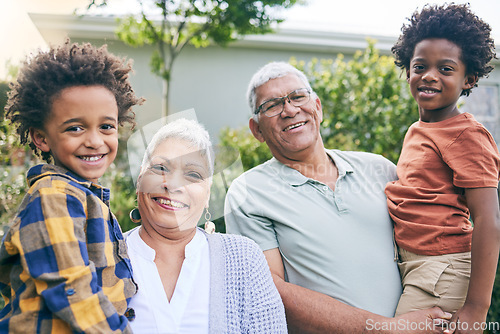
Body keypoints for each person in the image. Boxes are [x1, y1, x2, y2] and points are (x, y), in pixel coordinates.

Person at [224, 61, 450, 333]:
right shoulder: (249, 192)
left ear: (317, 108)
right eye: (272, 105)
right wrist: (388, 329)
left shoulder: (379, 169)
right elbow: (271, 293)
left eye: (297, 97)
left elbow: (432, 240)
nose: (290, 110)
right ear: (257, 130)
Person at [0, 41, 143, 333]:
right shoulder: (53, 196)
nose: (94, 140)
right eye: (75, 128)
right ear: (41, 137)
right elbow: (71, 286)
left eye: (106, 126)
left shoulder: (81, 195)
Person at [385, 4, 500, 333]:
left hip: (442, 272)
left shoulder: (467, 135)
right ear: (407, 71)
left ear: (469, 79)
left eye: (446, 69)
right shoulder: (419, 129)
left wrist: (477, 308)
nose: (429, 75)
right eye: (419, 66)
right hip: (413, 264)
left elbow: (488, 219)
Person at [125, 118, 287, 333]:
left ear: (208, 194)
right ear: (140, 180)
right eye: (160, 167)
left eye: (193, 174)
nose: (173, 185)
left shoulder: (244, 259)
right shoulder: (99, 254)